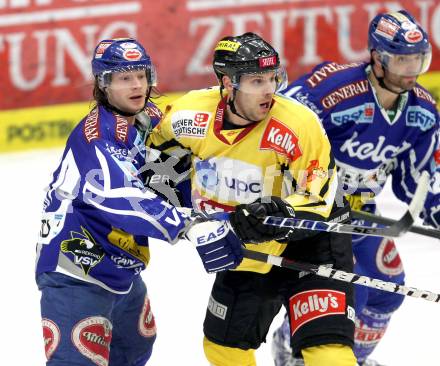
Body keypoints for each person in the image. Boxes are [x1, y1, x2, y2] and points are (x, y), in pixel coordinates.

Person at [148, 32, 357, 366]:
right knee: (223, 350)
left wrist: (279, 213)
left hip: (313, 241)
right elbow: (155, 161)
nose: (269, 89)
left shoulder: (298, 123)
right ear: (229, 84)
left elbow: (322, 198)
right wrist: (184, 202)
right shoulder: (189, 115)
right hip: (249, 247)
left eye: (273, 78)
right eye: (257, 80)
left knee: (327, 355)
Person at [35, 37, 244, 366]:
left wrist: (218, 208)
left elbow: (173, 174)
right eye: (124, 78)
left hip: (123, 267)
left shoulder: (150, 120)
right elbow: (120, 196)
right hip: (76, 268)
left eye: (141, 75)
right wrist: (184, 225)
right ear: (104, 85)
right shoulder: (96, 135)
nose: (137, 86)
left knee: (134, 348)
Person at [271, 9, 440, 366]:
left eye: (417, 60)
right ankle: (297, 350)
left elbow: (421, 177)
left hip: (363, 215)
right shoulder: (333, 89)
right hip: (315, 214)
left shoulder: (422, 111)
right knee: (353, 291)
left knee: (387, 293)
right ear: (377, 58)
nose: (410, 71)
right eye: (401, 61)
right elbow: (279, 123)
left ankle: (351, 358)